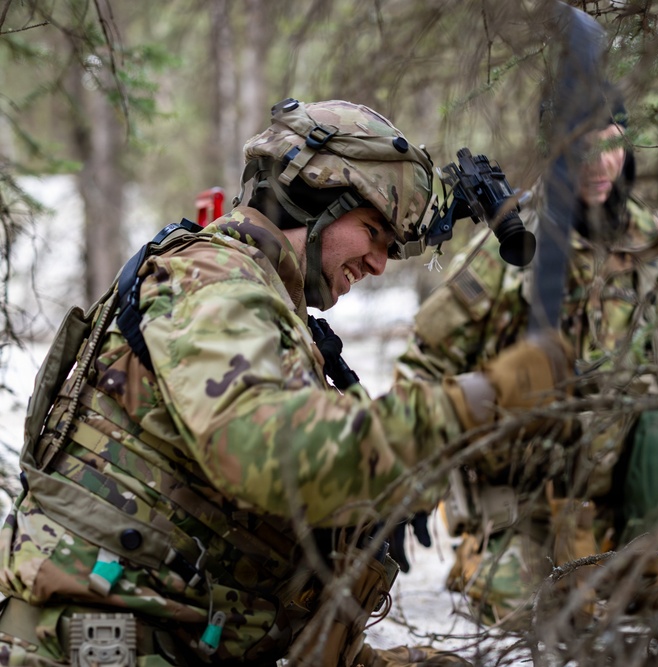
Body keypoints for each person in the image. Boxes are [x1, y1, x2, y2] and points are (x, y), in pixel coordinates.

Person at [0, 98, 570, 666]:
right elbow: (270, 451)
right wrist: (469, 403)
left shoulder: (263, 302)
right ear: (316, 200)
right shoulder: (215, 283)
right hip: (104, 642)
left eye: (391, 248)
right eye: (373, 232)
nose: (377, 264)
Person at [394, 97, 658, 625]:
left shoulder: (653, 251)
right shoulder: (515, 252)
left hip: (626, 499)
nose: (599, 165)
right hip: (527, 509)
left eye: (610, 145)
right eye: (581, 148)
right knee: (531, 618)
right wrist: (406, 485)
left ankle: (644, 563)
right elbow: (424, 366)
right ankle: (493, 556)